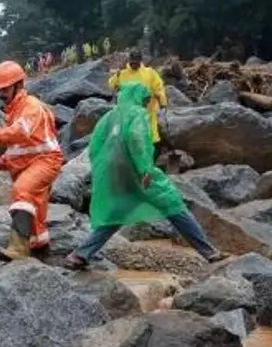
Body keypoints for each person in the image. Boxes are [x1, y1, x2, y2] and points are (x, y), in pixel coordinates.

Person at [64, 82, 226, 270]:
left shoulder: (108, 117)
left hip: (114, 175)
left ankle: (79, 255)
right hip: (137, 173)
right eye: (145, 99)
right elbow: (137, 138)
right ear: (139, 97)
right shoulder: (137, 114)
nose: (146, 103)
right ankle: (209, 252)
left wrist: (104, 171)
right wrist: (145, 169)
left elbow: (94, 147)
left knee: (115, 215)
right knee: (174, 205)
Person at [0, 61, 64, 260]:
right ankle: (41, 253)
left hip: (46, 161)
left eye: (4, 89)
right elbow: (17, 149)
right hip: (32, 163)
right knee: (36, 212)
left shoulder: (31, 107)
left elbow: (21, 133)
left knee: (22, 191)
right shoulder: (15, 111)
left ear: (18, 85)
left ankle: (18, 249)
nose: (1, 94)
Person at [108, 48, 167, 144]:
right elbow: (111, 85)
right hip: (128, 113)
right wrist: (117, 75)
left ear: (141, 61)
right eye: (132, 63)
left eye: (136, 62)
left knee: (149, 136)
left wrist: (163, 104)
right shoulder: (123, 73)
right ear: (129, 61)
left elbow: (159, 88)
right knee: (130, 138)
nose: (134, 65)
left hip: (148, 110)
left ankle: (150, 155)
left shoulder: (150, 73)